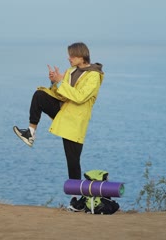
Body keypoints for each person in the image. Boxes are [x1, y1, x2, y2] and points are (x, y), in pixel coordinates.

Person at [13, 42, 104, 211]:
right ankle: (30, 133)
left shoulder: (94, 76)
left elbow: (79, 97)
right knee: (40, 95)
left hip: (74, 120)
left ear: (81, 56)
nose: (68, 58)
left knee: (73, 161)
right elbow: (60, 94)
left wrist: (61, 82)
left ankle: (77, 201)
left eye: (71, 56)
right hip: (63, 112)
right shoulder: (70, 71)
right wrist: (55, 82)